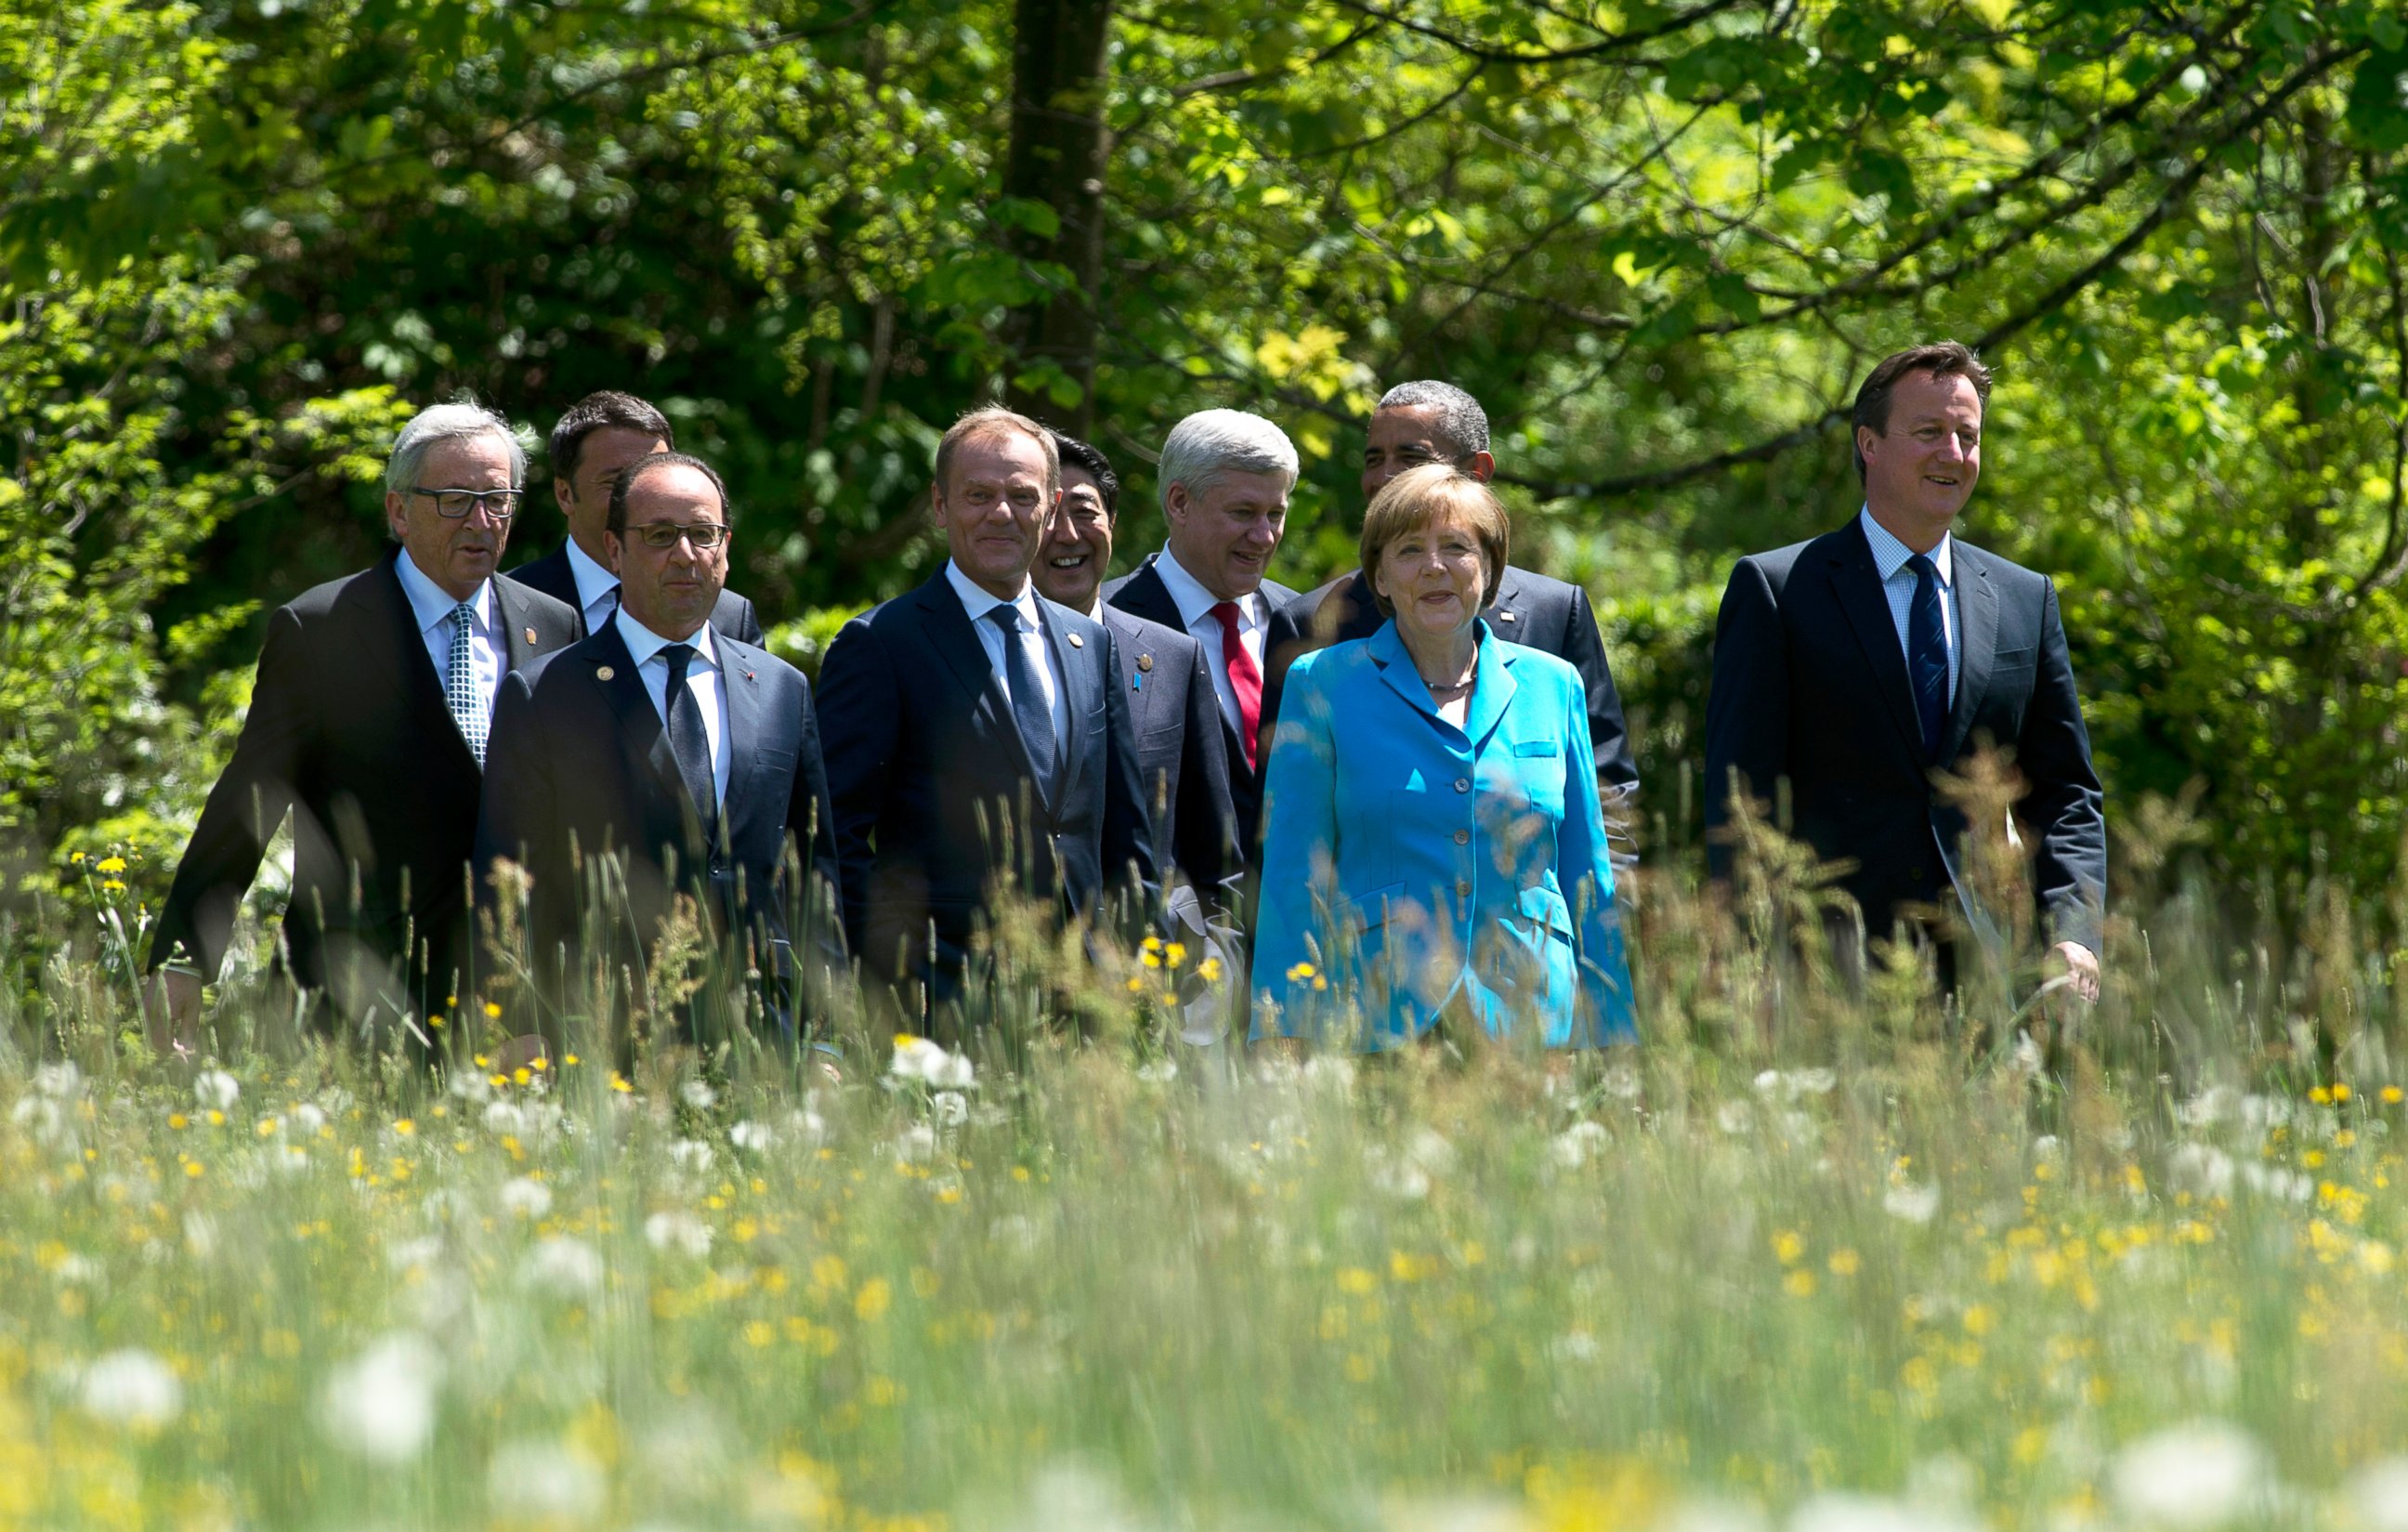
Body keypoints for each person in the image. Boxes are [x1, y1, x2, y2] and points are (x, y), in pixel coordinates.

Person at [146, 402, 580, 1046]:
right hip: (349, 999)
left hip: (510, 1009)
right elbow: (252, 796)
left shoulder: (556, 626)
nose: (481, 521)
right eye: (455, 499)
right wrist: (184, 952)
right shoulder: (322, 628)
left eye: (498, 499)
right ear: (398, 511)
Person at [1702, 341, 2106, 996]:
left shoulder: (2025, 600)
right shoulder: (1778, 591)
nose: (1954, 453)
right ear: (1869, 443)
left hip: (1995, 975)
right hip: (1830, 972)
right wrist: (1755, 955)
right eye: (1929, 432)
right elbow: (1740, 799)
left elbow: (2067, 791)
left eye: (1967, 436)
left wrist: (2074, 928)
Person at [1252, 465, 1635, 1050]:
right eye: (1409, 550)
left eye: (1456, 547)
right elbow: (1292, 873)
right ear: (1378, 576)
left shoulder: (1554, 685)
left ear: (1489, 568)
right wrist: (1280, 1030)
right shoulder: (1323, 683)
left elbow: (1589, 870)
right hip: (1380, 1017)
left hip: (1534, 1019)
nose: (1434, 567)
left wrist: (1614, 1029)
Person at [478, 452, 843, 1040]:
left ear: (726, 548)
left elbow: (814, 876)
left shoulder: (780, 688)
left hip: (764, 1033)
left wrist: (826, 1039)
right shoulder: (547, 693)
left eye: (703, 534)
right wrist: (520, 1031)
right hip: (605, 1033)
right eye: (660, 535)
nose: (685, 554)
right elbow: (506, 877)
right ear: (615, 550)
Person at [815, 407, 1158, 1024]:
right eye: (978, 495)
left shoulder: (1091, 644)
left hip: (1087, 1005)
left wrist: (1133, 967)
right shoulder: (881, 644)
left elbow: (1125, 835)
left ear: (1051, 509)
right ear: (941, 506)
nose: (1001, 513)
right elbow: (836, 839)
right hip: (944, 1001)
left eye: (1021, 496)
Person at [1282, 380, 1641, 857]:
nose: (1385, 477)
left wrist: (1602, 909)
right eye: (1373, 459)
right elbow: (1289, 828)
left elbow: (1604, 793)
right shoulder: (1313, 623)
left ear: (1477, 471)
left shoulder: (1554, 612)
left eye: (1410, 458)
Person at [1038, 430, 1245, 1040]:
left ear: (1113, 521)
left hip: (1166, 994)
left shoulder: (1173, 656)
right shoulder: (970, 658)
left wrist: (1213, 971)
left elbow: (1217, 856)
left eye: (1084, 512)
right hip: (1017, 987)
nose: (1067, 534)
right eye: (1046, 513)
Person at [1103, 409, 1305, 867]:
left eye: (1276, 514)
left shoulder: (1306, 622)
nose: (1264, 536)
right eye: (1243, 512)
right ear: (1179, 502)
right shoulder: (1103, 624)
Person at [507, 390, 764, 642]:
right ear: (564, 494)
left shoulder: (729, 617)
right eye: (616, 481)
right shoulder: (509, 605)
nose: (640, 499)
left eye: (654, 479)